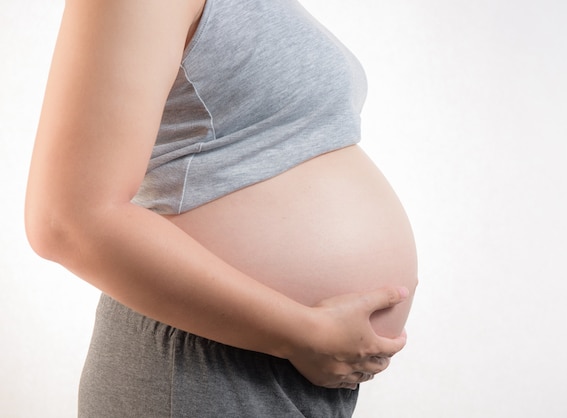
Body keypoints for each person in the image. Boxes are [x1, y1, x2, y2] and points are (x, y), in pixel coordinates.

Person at [25, 0, 418, 416]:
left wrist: (313, 337)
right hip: (204, 359)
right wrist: (302, 333)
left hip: (284, 362)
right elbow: (67, 220)